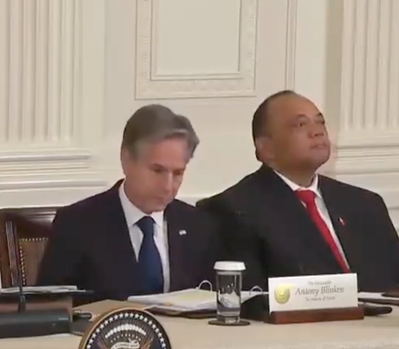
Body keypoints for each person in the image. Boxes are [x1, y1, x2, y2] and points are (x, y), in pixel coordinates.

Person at [198, 90, 399, 291]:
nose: (317, 131)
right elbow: (250, 299)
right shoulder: (232, 209)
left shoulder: (365, 203)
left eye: (320, 122)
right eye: (301, 124)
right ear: (266, 148)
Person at [37, 104, 219, 299]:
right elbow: (51, 308)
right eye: (157, 170)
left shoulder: (198, 226)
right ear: (126, 160)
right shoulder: (77, 225)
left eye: (177, 173)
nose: (168, 186)